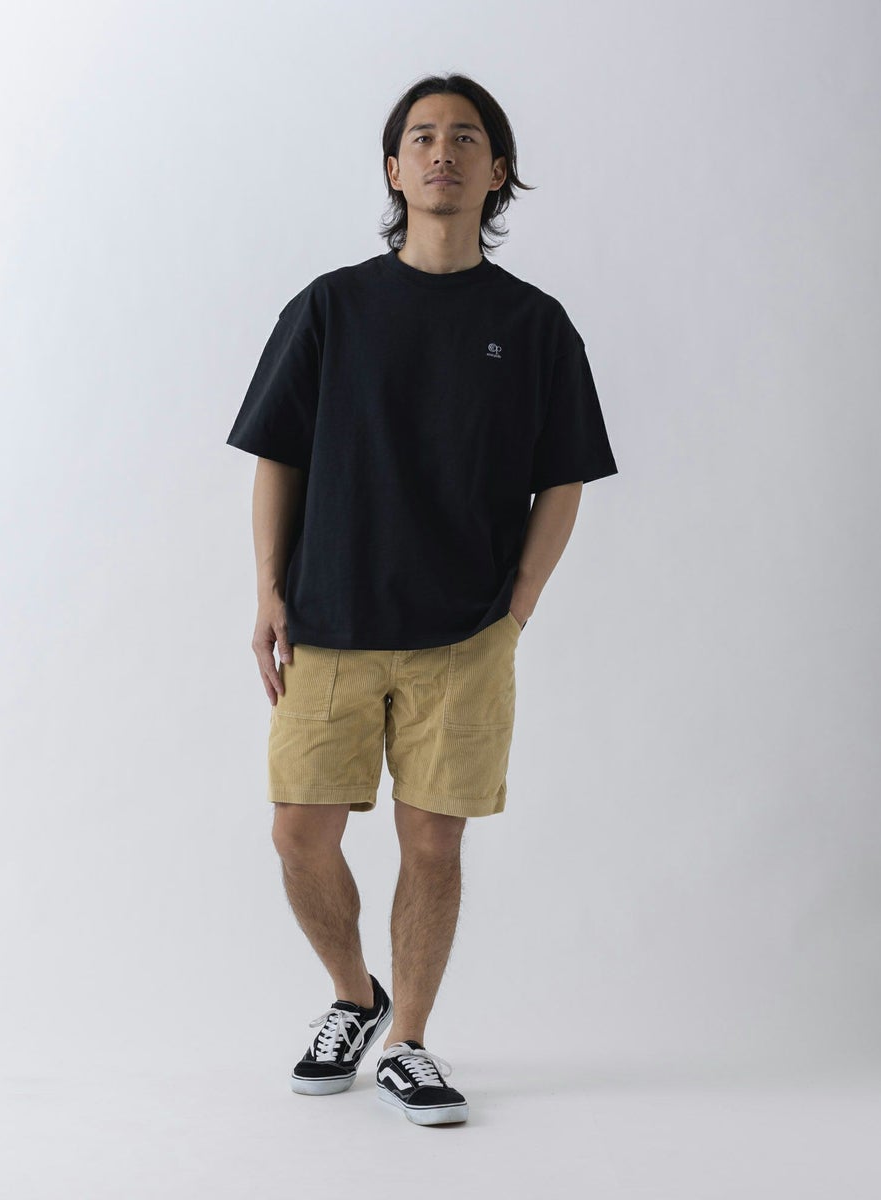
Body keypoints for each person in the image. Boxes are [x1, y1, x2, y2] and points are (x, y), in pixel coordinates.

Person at [226, 73, 618, 1126]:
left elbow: (565, 475)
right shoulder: (330, 307)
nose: (444, 151)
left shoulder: (534, 325)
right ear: (395, 170)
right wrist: (267, 590)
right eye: (424, 136)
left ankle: (409, 1042)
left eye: (467, 138)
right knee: (299, 835)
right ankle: (354, 998)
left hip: (465, 637)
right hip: (329, 622)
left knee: (434, 846)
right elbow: (277, 454)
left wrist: (517, 606)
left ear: (498, 172)